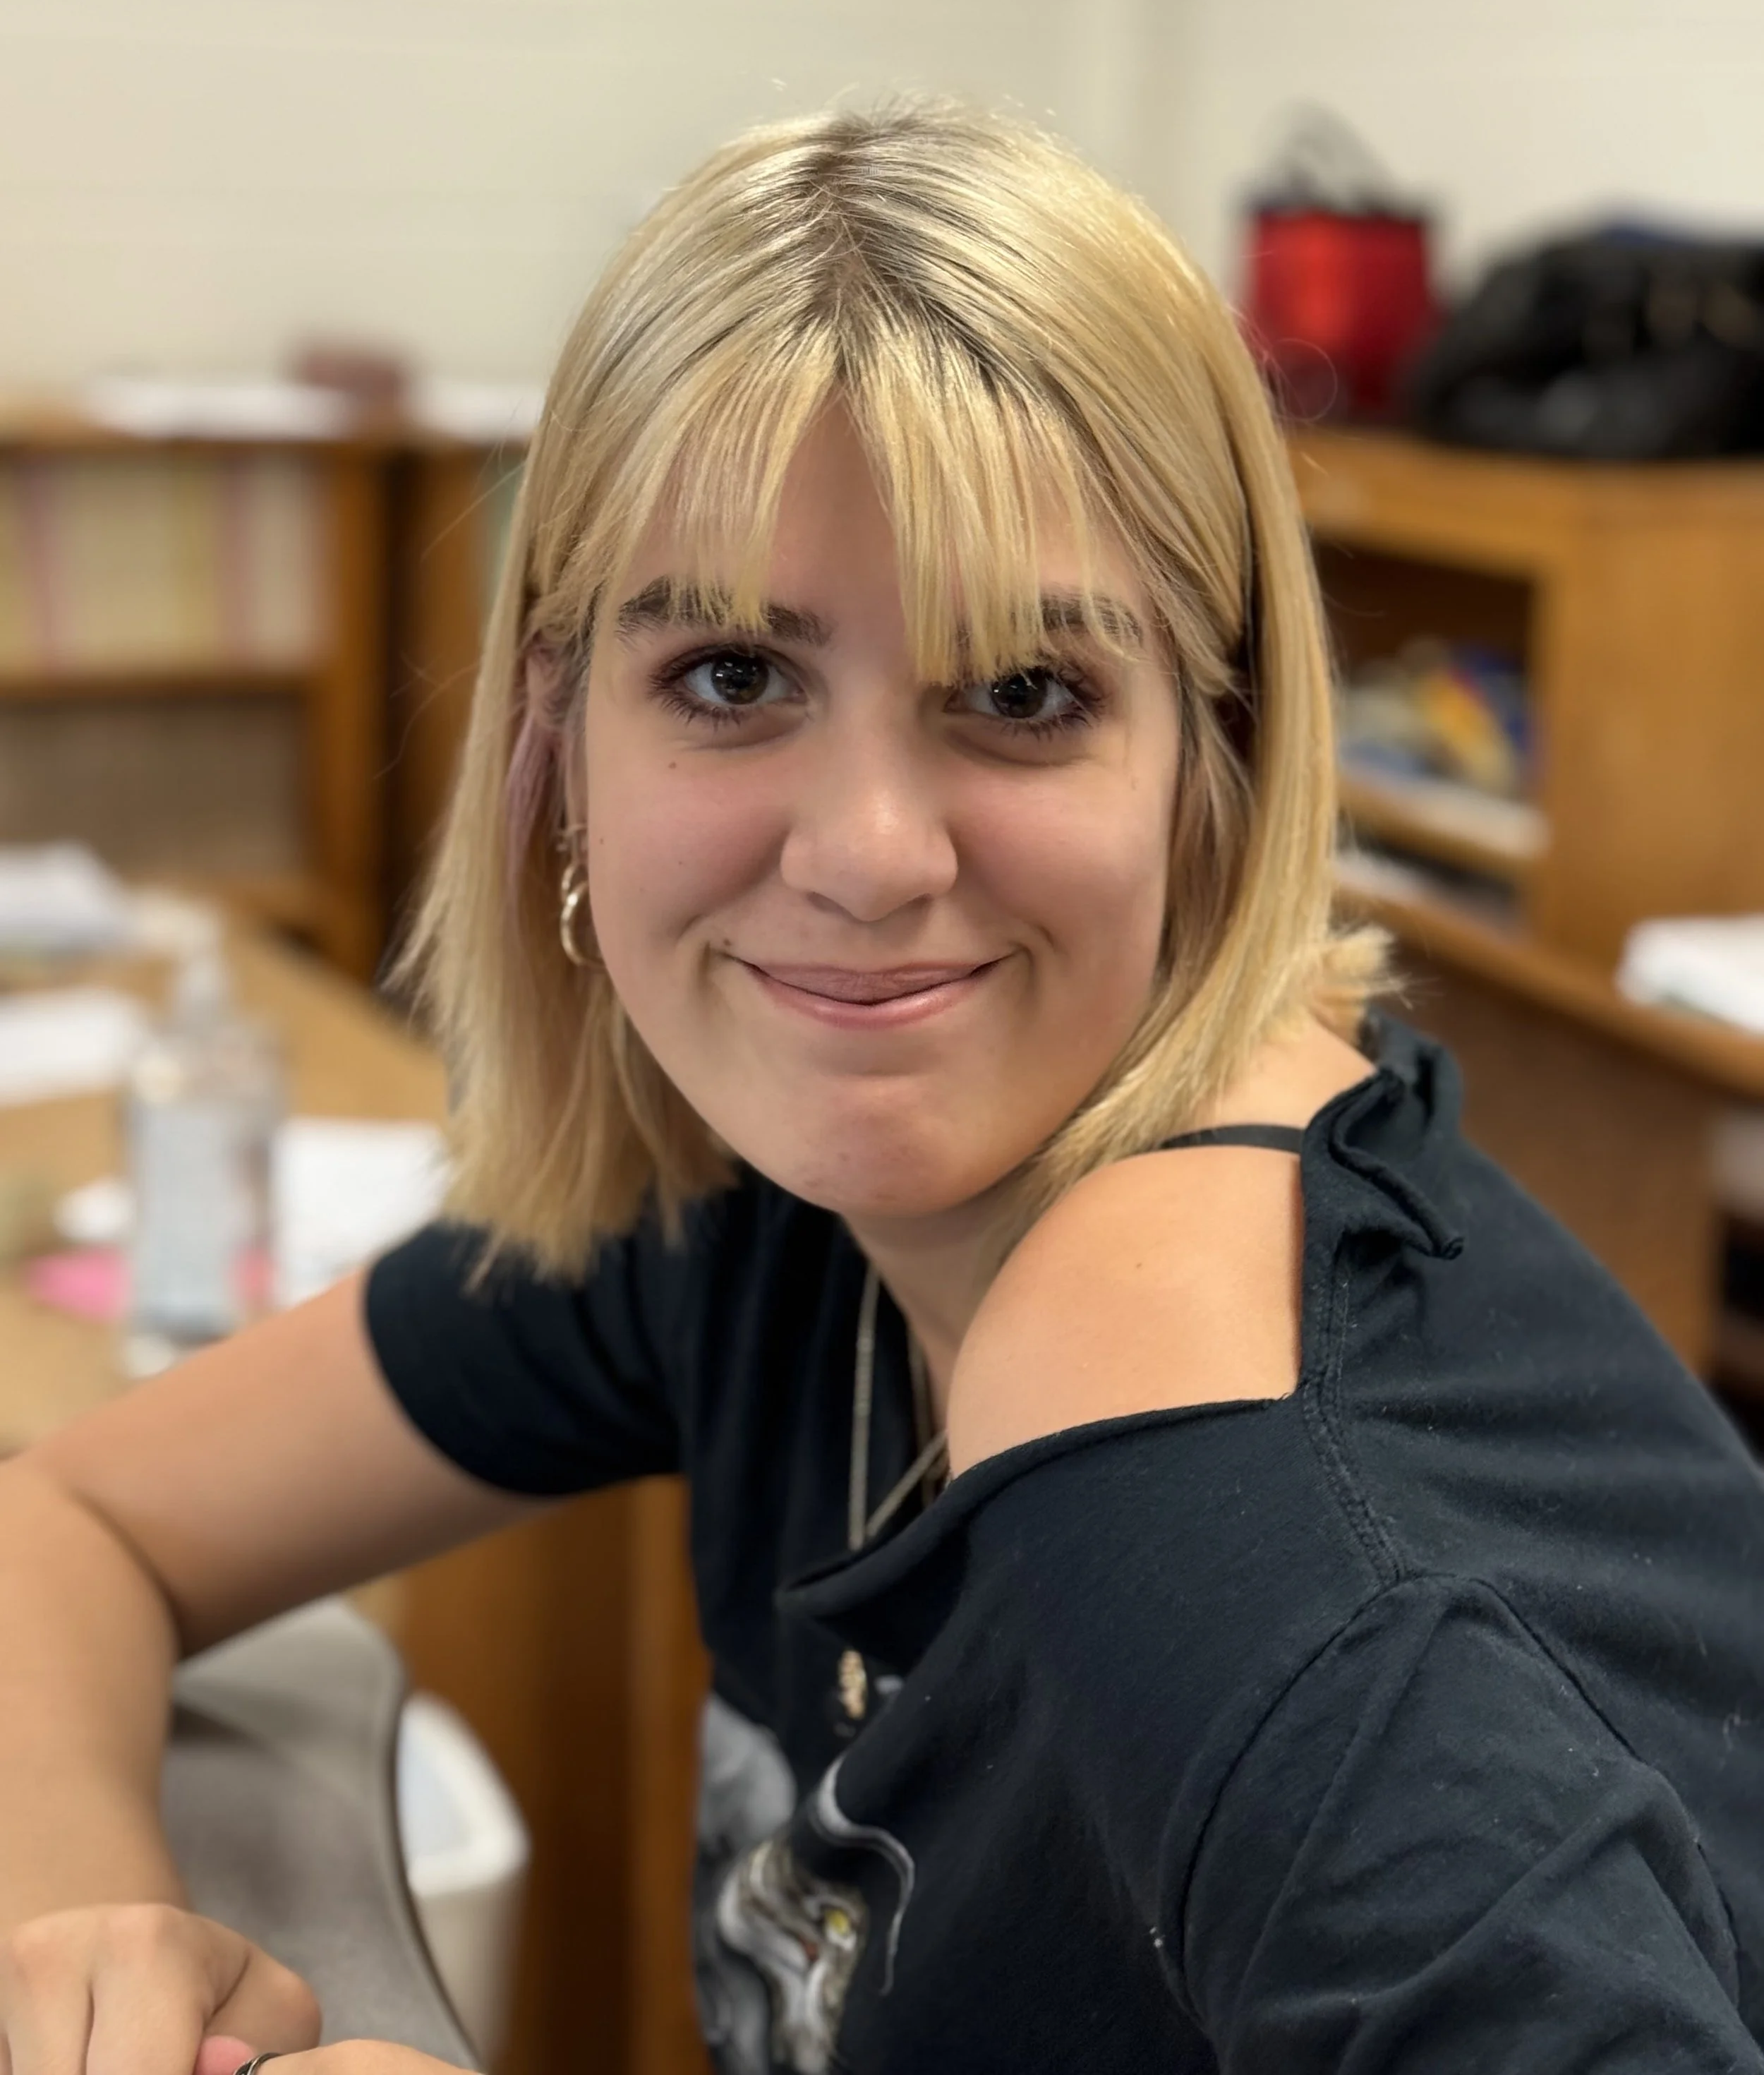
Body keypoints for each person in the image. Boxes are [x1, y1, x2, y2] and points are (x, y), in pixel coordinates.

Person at [4, 102, 1764, 2075]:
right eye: (733, 676)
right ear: (555, 732)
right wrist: (96, 1953)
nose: (864, 855)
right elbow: (69, 1519)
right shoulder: (774, 1202)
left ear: (1220, 755)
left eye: (1022, 692)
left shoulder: (1210, 1459)